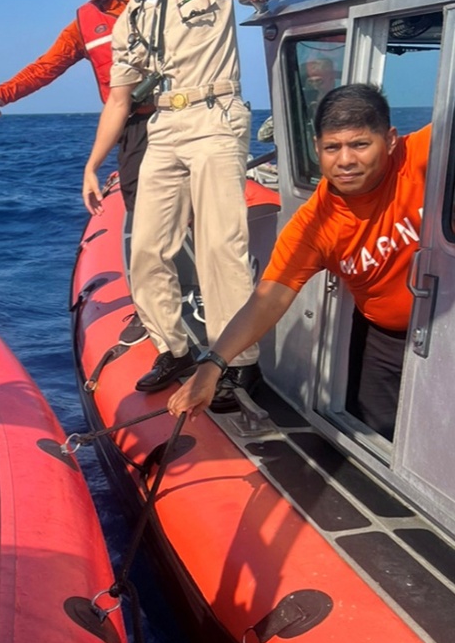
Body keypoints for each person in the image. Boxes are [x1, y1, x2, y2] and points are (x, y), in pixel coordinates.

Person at [82, 0, 351, 409]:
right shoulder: (130, 23)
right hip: (164, 124)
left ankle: (237, 361)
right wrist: (92, 166)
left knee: (218, 246)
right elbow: (119, 100)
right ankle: (175, 348)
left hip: (215, 117)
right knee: (145, 248)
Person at [169, 85, 427, 440]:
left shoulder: (427, 153)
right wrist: (212, 367)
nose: (346, 160)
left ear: (391, 140)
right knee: (381, 433)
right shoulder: (313, 226)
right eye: (332, 148)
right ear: (317, 148)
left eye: (360, 145)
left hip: (443, 324)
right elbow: (268, 299)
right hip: (385, 341)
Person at [0, 0, 152, 343]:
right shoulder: (84, 24)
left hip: (182, 120)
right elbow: (44, 68)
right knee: (145, 225)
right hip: (133, 130)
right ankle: (153, 311)